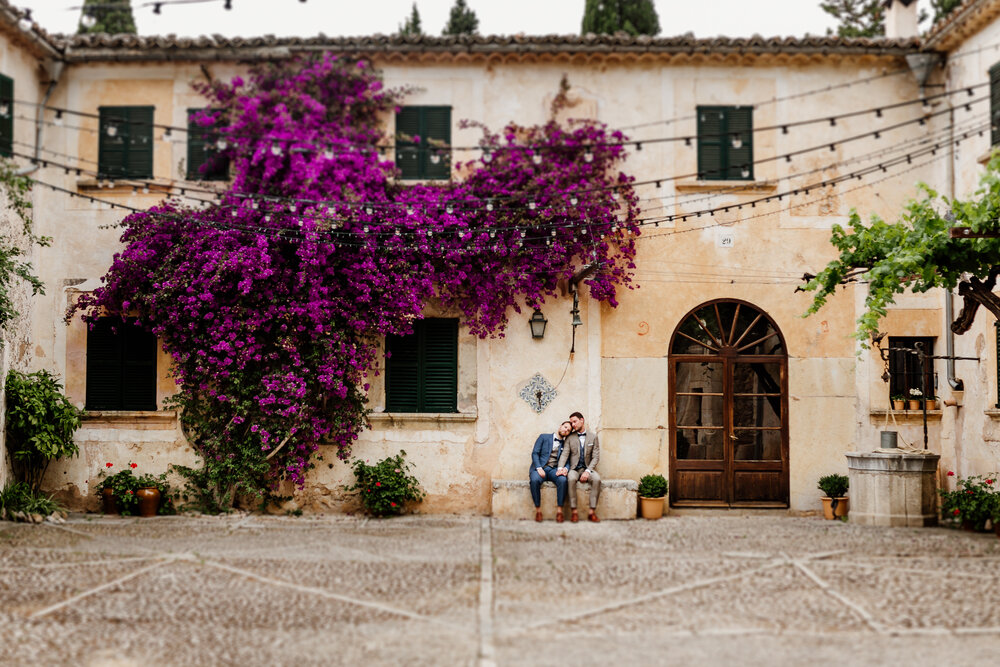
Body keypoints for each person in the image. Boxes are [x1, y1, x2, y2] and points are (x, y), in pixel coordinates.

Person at [559, 411, 602, 522]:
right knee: (571, 478)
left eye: (575, 421)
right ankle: (574, 512)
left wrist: (588, 471)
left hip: (588, 468)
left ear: (582, 420)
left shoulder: (593, 437)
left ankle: (591, 512)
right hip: (574, 468)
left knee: (597, 479)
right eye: (572, 422)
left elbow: (596, 457)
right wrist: (560, 468)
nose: (573, 425)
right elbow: (564, 454)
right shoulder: (570, 437)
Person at [529, 421, 573, 522]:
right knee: (534, 480)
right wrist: (539, 468)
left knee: (563, 480)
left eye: (568, 430)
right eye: (565, 427)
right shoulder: (543, 437)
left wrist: (565, 469)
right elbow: (535, 453)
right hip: (540, 468)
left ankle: (559, 512)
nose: (566, 430)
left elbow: (568, 460)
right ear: (560, 426)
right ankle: (538, 511)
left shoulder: (566, 444)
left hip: (554, 470)